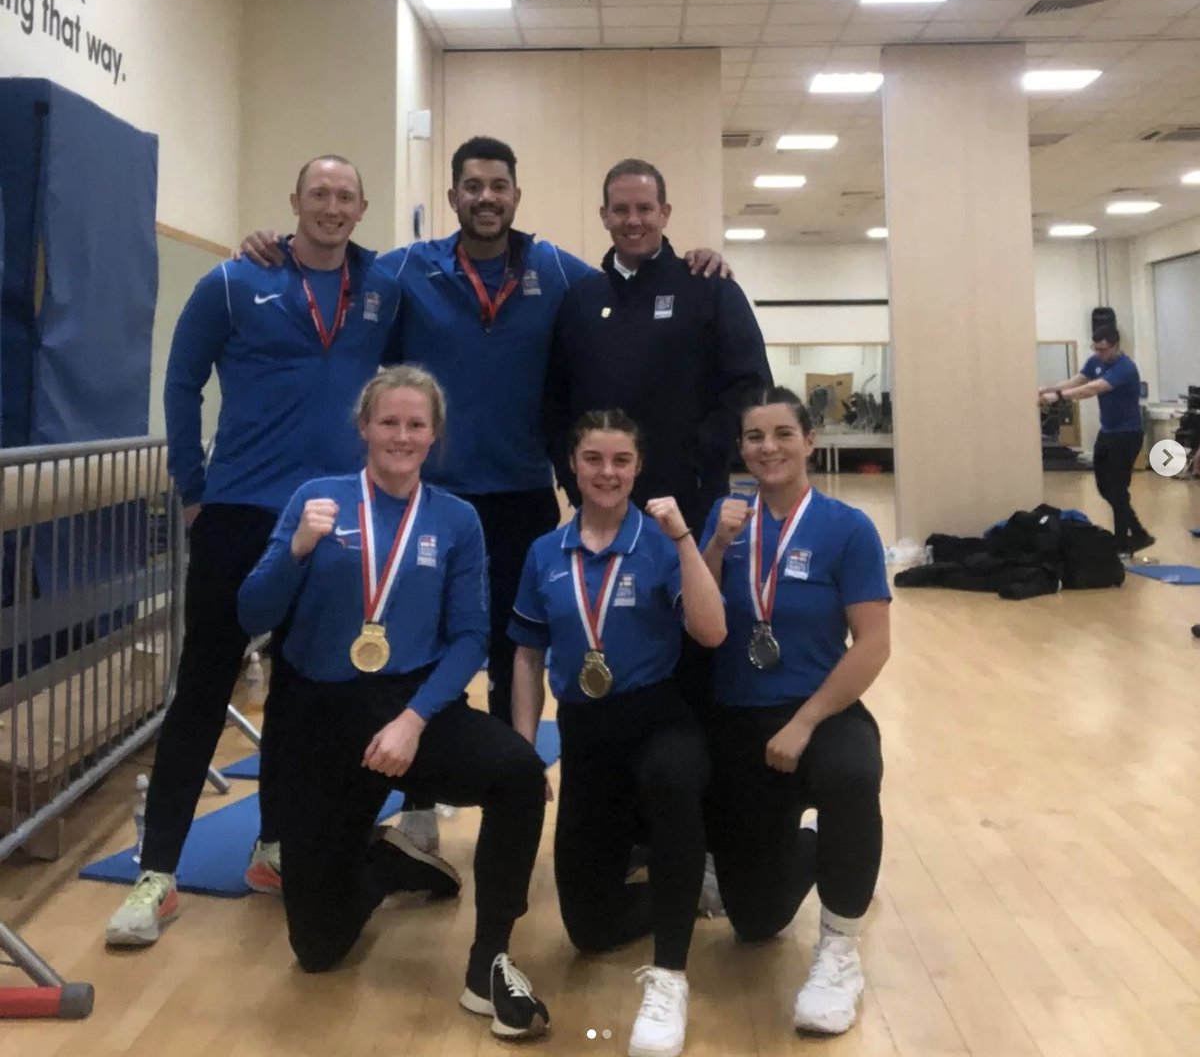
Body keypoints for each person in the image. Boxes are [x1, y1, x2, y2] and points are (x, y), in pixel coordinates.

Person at [238, 138, 728, 855]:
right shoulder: (406, 270)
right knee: (418, 651)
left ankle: (512, 801)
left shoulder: (558, 270)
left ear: (516, 197)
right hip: (425, 506)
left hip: (521, 498)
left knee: (511, 655)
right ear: (454, 196)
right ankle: (417, 802)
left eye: (499, 185)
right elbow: (332, 256)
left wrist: (696, 264)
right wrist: (277, 245)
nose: (487, 197)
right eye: (473, 186)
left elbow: (628, 280)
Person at [106, 156, 402, 947]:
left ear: (362, 206)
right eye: (319, 195)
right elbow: (181, 379)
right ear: (294, 204)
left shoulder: (382, 288)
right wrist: (193, 486)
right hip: (238, 512)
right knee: (204, 684)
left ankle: (272, 849)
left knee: (302, 695)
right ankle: (156, 873)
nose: (332, 208)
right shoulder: (235, 283)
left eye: (346, 196)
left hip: (334, 518)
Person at [237, 366, 550, 1039]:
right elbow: (251, 610)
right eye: (389, 422)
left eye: (415, 424)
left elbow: (470, 638)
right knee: (317, 952)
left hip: (410, 704)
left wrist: (413, 721)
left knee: (519, 773)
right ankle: (385, 861)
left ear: (434, 435)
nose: (401, 436)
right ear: (364, 428)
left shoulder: (455, 518)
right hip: (316, 714)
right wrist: (294, 550)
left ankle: (489, 959)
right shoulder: (315, 500)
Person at [509, 410, 725, 1057]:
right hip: (586, 734)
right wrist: (525, 753)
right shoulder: (545, 553)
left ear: (638, 468)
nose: (607, 473)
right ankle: (690, 885)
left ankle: (671, 974)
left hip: (658, 719)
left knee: (670, 778)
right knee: (589, 930)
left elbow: (711, 632)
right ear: (572, 466)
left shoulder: (659, 543)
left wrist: (685, 539)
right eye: (594, 459)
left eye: (621, 461)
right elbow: (525, 655)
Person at [699, 387, 890, 1037]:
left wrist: (806, 722)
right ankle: (825, 854)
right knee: (754, 923)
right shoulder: (724, 521)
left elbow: (874, 645)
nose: (768, 447)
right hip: (739, 721)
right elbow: (697, 625)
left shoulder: (847, 528)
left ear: (809, 441)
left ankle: (840, 946)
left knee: (851, 775)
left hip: (821, 712)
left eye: (783, 433)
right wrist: (718, 548)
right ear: (742, 448)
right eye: (755, 436)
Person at [546, 157, 770, 535]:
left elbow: (751, 386)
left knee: (693, 596)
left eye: (645, 208)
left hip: (691, 504)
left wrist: (699, 459)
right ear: (604, 216)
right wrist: (574, 478)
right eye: (620, 210)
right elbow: (555, 401)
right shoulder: (580, 301)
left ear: (664, 213)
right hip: (603, 503)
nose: (633, 220)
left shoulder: (710, 289)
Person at [1039, 326, 1154, 556]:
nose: (1099, 354)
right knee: (1104, 487)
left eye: (1103, 350)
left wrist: (1059, 397)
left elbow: (1092, 389)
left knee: (1118, 489)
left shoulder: (1125, 368)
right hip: (1108, 432)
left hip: (1127, 435)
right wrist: (1047, 389)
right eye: (1096, 349)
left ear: (1115, 346)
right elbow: (1078, 381)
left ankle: (1123, 545)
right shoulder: (1095, 362)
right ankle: (1139, 533)